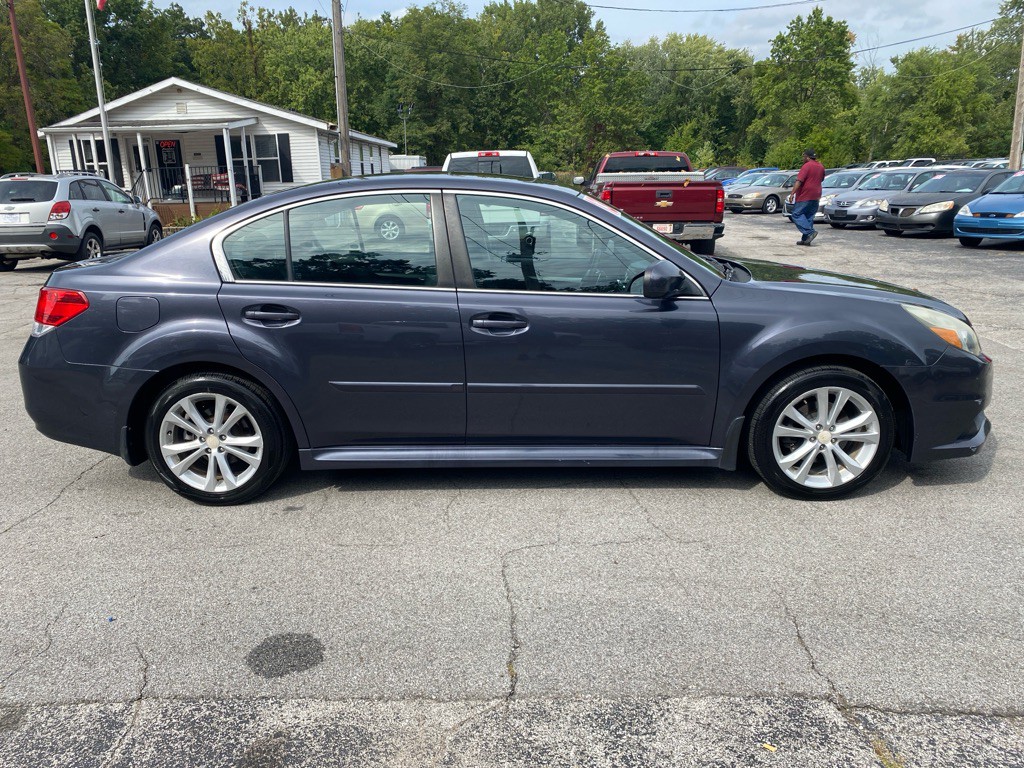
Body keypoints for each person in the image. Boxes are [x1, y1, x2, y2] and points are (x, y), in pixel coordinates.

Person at [788, 149, 826, 245]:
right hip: (816, 195)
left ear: (807, 157)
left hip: (805, 195)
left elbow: (799, 181)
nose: (803, 158)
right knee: (808, 217)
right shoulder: (821, 166)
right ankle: (806, 240)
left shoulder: (806, 166)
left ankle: (810, 232)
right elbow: (821, 179)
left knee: (796, 214)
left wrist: (792, 193)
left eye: (803, 156)